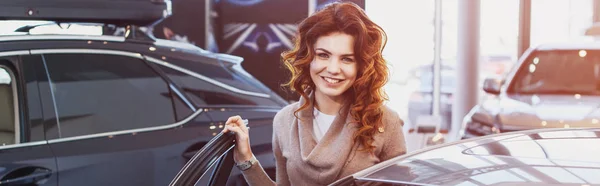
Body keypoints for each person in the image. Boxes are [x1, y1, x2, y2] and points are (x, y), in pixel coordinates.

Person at [222, 2, 407, 185]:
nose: (333, 69)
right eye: (323, 55)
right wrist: (246, 159)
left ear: (361, 66)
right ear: (308, 58)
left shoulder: (385, 121)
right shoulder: (285, 120)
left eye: (347, 59)